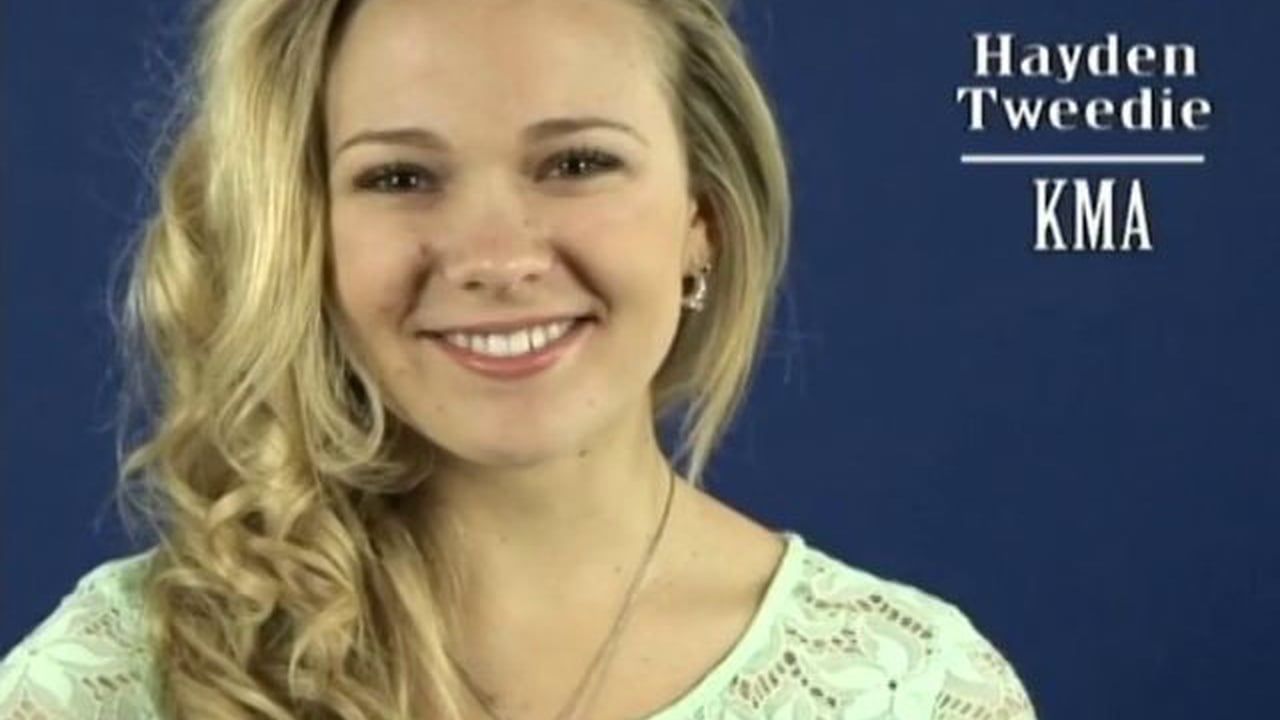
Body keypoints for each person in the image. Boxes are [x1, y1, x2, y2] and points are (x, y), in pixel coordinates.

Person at [0, 0, 1039, 717]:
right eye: (400, 177)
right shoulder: (113, 681)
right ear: (304, 233)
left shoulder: (909, 690)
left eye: (577, 163)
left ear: (702, 220)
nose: (496, 259)